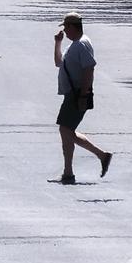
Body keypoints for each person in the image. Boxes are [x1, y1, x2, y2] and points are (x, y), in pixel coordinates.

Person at [53, 15, 111, 183]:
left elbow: (89, 68)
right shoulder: (74, 45)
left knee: (65, 130)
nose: (64, 30)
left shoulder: (81, 44)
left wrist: (84, 94)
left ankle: (69, 173)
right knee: (67, 131)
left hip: (77, 94)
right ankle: (100, 157)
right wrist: (58, 43)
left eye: (66, 27)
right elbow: (58, 62)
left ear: (73, 27)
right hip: (72, 94)